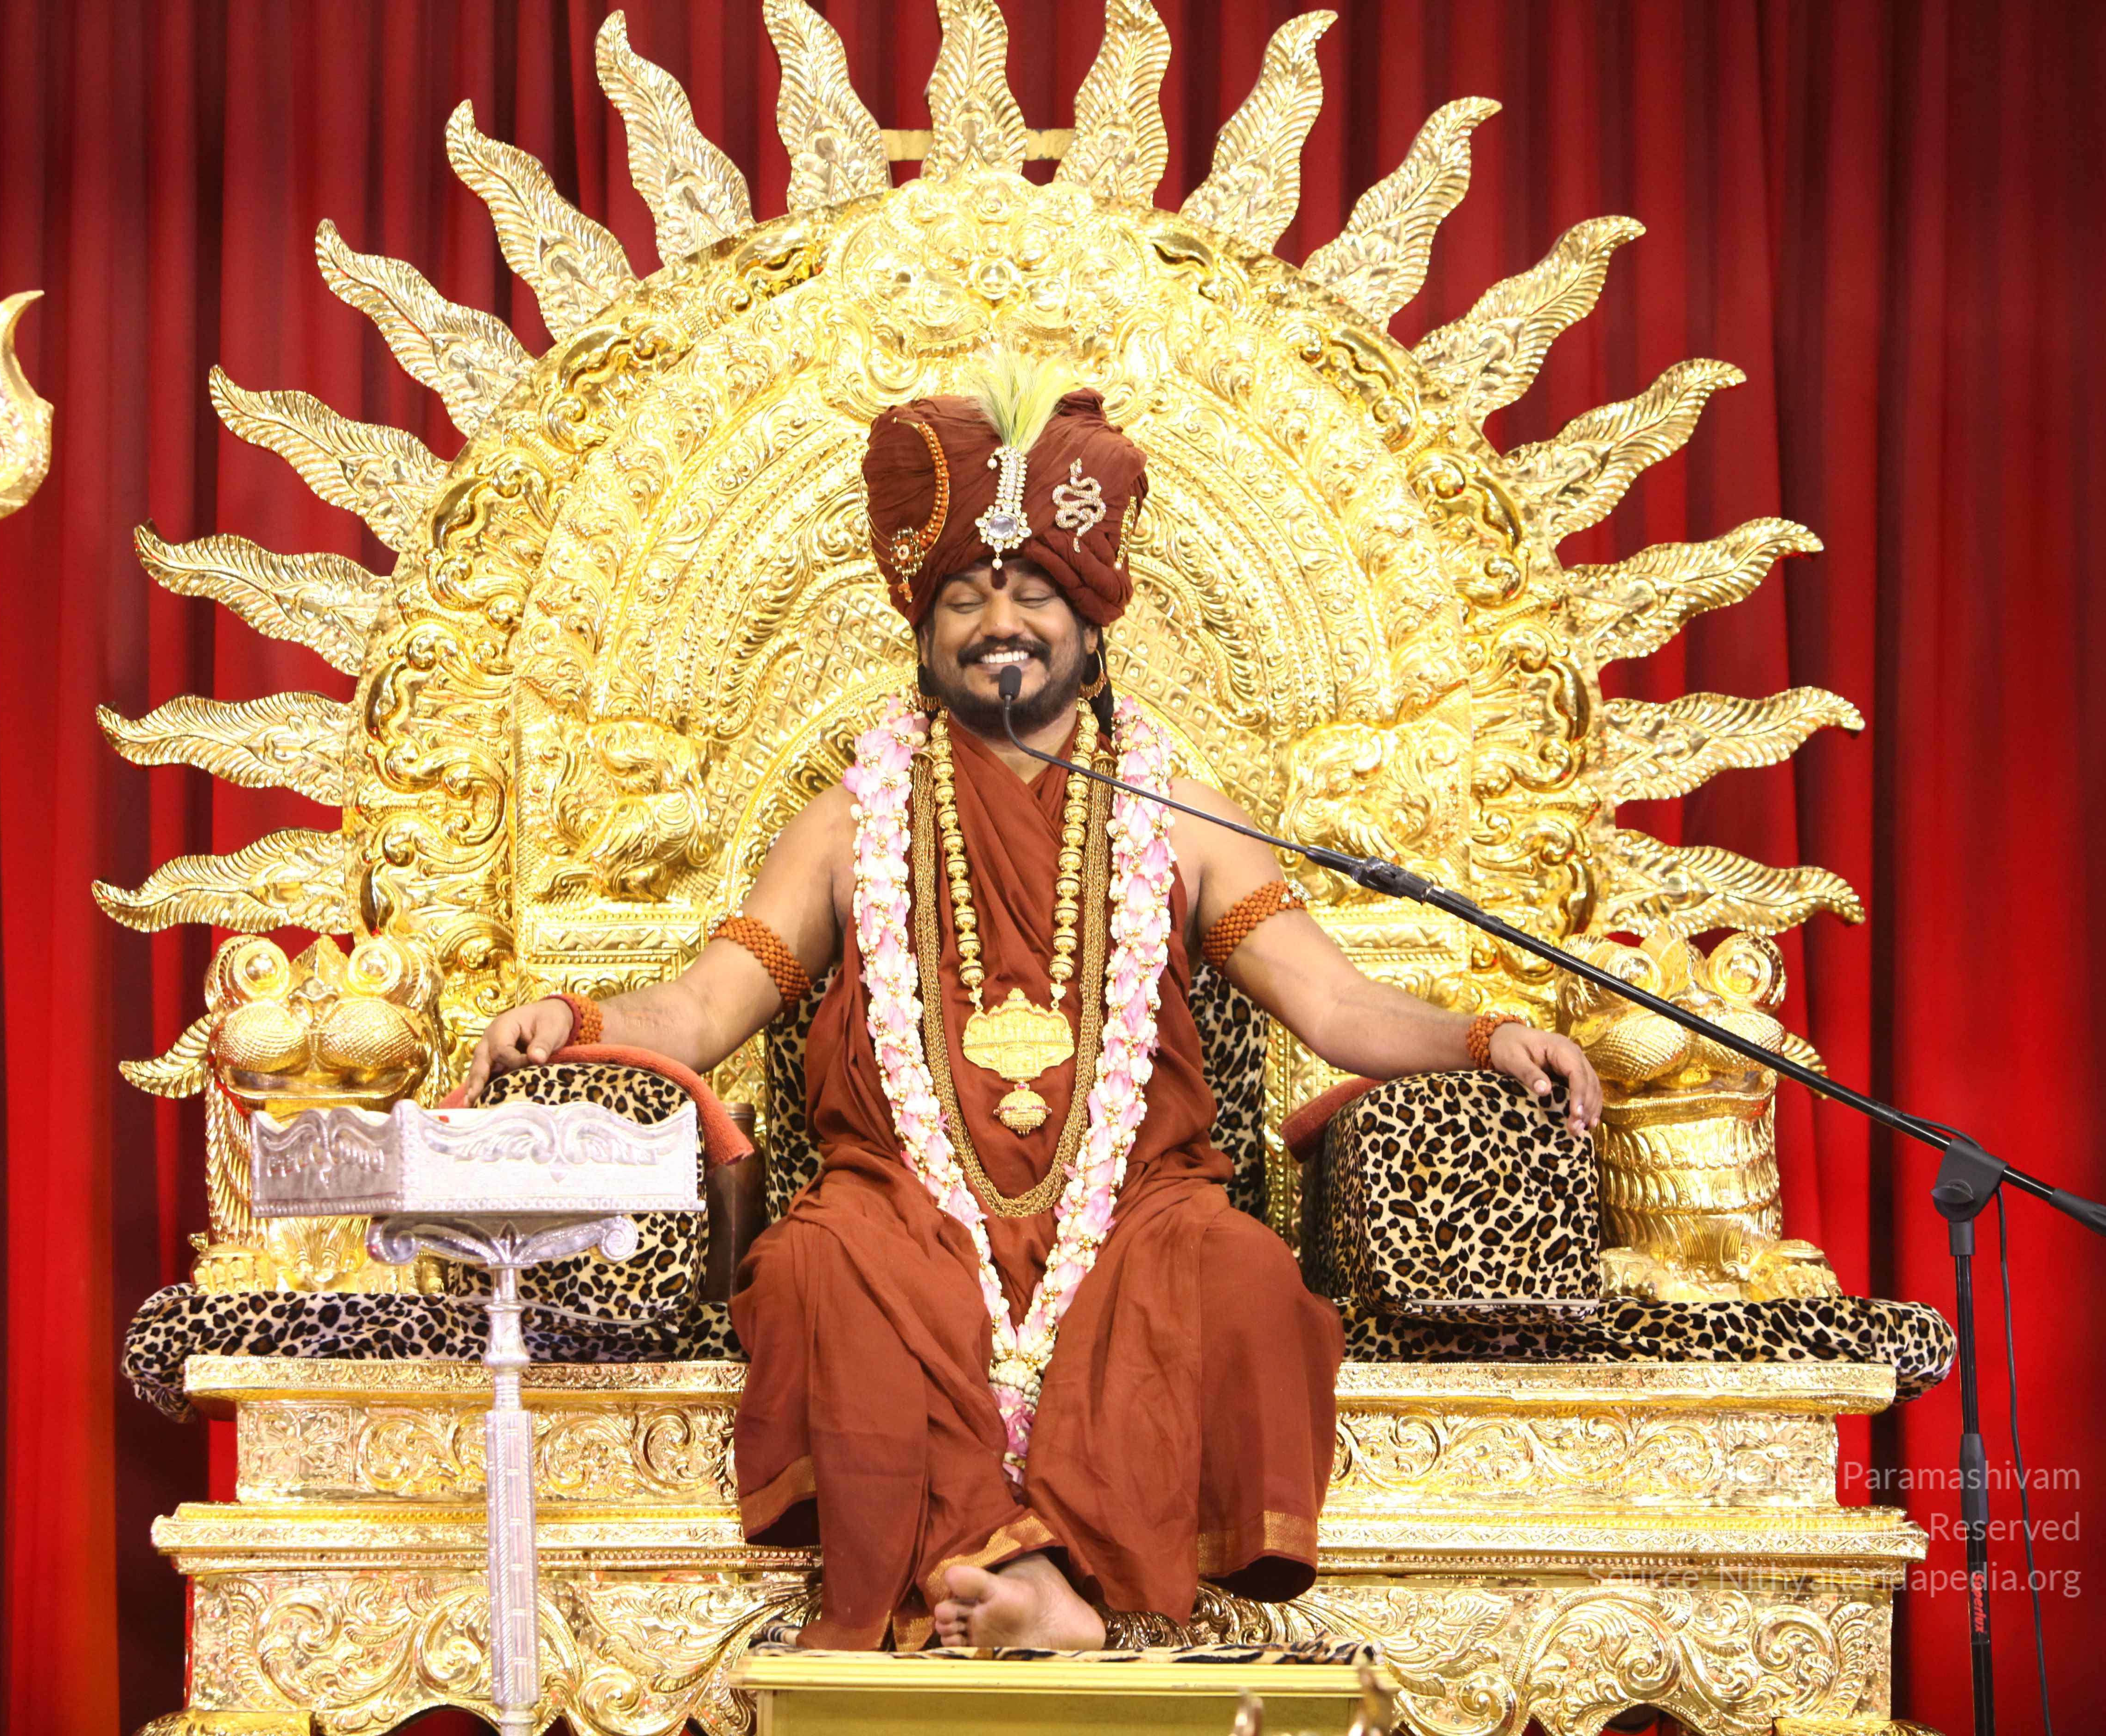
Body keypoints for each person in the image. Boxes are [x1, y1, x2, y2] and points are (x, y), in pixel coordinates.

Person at [464, 358, 1601, 1651]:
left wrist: (1484, 1037)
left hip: (1134, 1204)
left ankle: (1034, 1580)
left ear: (1091, 626)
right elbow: (710, 1003)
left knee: (1240, 1274)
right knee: (815, 1271)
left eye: (1032, 593)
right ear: (924, 634)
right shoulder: (850, 822)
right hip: (901, 1201)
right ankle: (1021, 1582)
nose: (997, 621)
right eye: (964, 597)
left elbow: (1333, 1006)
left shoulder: (1180, 815)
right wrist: (580, 1022)